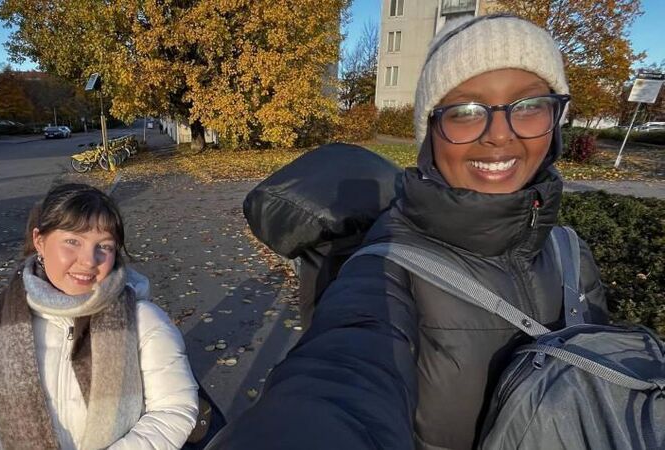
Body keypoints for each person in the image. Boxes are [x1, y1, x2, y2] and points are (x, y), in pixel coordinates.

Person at [206, 14, 608, 450]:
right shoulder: (387, 266)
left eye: (528, 107)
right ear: (430, 132)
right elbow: (342, 373)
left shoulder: (569, 251)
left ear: (557, 117)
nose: (498, 135)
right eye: (466, 112)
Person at [0, 183, 199, 450]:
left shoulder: (144, 321)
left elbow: (174, 409)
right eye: (72, 241)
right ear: (39, 241)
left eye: (104, 246)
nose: (89, 260)